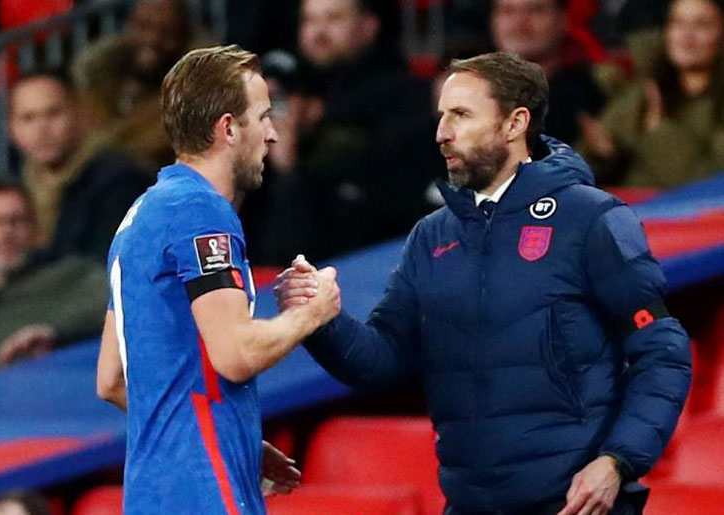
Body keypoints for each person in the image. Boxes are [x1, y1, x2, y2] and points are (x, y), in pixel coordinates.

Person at [274, 52, 691, 514]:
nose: (441, 132)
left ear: (515, 123)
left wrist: (617, 462)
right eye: (441, 115)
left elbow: (662, 352)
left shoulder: (591, 219)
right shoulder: (432, 237)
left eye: (461, 115)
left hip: (576, 505)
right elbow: (384, 361)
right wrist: (320, 320)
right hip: (470, 504)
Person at [96, 45, 341, 514]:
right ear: (228, 128)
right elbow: (237, 354)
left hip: (151, 495)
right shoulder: (201, 211)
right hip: (206, 494)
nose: (272, 133)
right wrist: (314, 310)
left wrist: (235, 433)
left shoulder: (142, 213)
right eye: (263, 117)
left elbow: (111, 379)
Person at [250, 0, 440, 264]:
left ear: (368, 27)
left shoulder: (404, 95)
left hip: (362, 262)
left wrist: (294, 162)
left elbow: (376, 191)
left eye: (334, 18)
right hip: (268, 265)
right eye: (309, 20)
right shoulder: (282, 93)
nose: (319, 32)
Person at [9, 70, 151, 262]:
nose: (42, 129)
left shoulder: (119, 182)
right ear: (12, 128)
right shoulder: (13, 186)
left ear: (79, 114)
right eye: (28, 118)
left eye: (53, 114)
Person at [581, 0, 724, 188]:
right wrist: (600, 155)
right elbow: (580, 165)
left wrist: (659, 130)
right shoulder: (643, 93)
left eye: (701, 26)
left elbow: (709, 182)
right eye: (677, 23)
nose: (686, 37)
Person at [71, 0, 197, 172]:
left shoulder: (188, 106)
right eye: (144, 26)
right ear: (128, 27)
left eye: (167, 32)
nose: (152, 39)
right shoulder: (92, 79)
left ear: (184, 39)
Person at [0, 181, 107, 365]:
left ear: (37, 228)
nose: (6, 234)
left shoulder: (73, 276)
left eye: (16, 221)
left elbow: (118, 301)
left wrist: (57, 334)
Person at [491, 0, 607, 145]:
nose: (519, 23)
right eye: (508, 11)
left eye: (535, 10)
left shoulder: (593, 93)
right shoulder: (470, 88)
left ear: (563, 20)